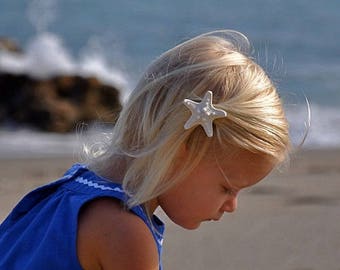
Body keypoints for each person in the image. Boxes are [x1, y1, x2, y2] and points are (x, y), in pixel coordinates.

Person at [0, 30, 290, 270]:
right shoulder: (125, 233)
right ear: (178, 149)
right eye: (227, 187)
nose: (232, 206)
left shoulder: (72, 189)